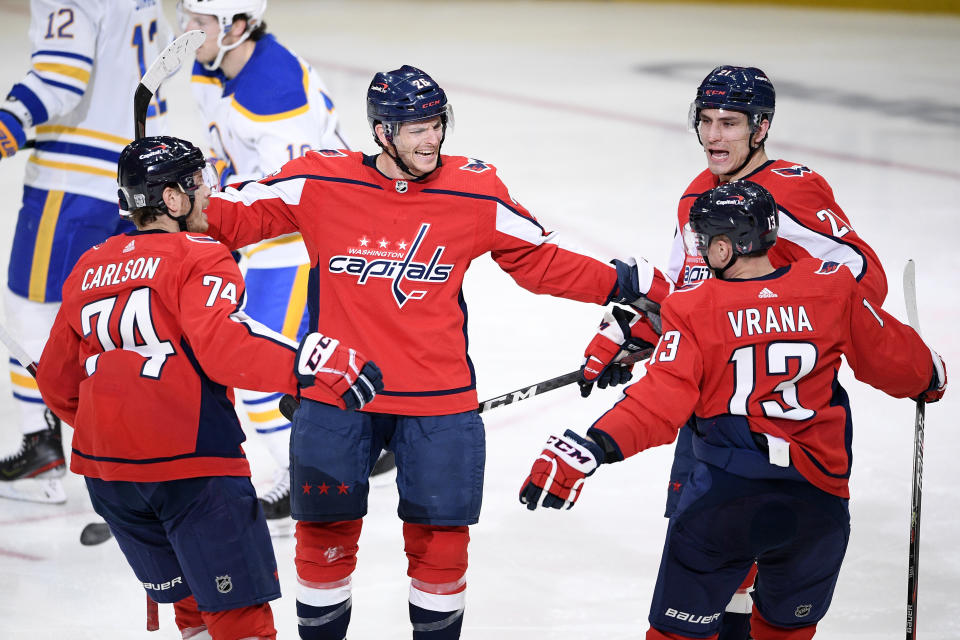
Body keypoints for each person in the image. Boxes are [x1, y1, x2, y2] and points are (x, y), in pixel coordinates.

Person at [190, 64, 670, 640]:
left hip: (438, 401)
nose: (432, 139)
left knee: (441, 547)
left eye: (436, 124)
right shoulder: (320, 182)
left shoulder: (472, 188)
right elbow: (227, 216)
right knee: (324, 541)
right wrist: (164, 200)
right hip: (339, 395)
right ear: (381, 132)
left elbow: (540, 259)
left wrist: (630, 285)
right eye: (415, 127)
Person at [522, 181, 947, 640]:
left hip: (725, 502)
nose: (700, 251)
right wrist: (930, 375)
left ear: (725, 247)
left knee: (676, 635)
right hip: (817, 503)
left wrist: (594, 445)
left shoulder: (694, 307)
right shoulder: (832, 288)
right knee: (785, 633)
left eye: (704, 241)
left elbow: (660, 400)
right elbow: (903, 365)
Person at [577, 64, 889, 638]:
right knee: (714, 548)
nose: (715, 137)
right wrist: (643, 331)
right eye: (706, 122)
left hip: (780, 404)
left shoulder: (793, 189)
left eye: (730, 123)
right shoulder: (696, 195)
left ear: (761, 127)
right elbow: (687, 289)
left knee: (758, 547)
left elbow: (863, 279)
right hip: (710, 404)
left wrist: (776, 311)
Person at [33, 135, 382, 639]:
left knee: (193, 614)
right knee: (240, 622)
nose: (208, 194)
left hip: (108, 476)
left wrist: (115, 425)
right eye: (197, 183)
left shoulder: (90, 264)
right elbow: (226, 345)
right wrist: (308, 363)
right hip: (191, 469)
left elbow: (56, 381)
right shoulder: (199, 253)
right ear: (171, 200)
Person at [177, 0, 366, 536]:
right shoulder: (209, 65)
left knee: (254, 369)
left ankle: (304, 482)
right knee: (300, 361)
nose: (188, 33)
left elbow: (294, 198)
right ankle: (346, 452)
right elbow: (221, 153)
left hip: (302, 238)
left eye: (200, 23)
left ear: (237, 27)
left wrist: (202, 213)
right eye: (186, 19)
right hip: (260, 232)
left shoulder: (276, 90)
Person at [0, 0, 172, 504]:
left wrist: (9, 121)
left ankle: (40, 441)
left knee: (31, 307)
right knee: (115, 314)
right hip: (129, 173)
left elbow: (61, 76)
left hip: (71, 182)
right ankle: (142, 450)